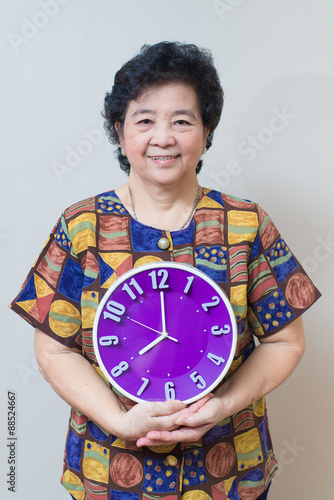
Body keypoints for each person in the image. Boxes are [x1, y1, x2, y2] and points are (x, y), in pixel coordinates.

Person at [10, 42, 320, 500]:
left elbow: (285, 341)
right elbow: (55, 352)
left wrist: (225, 405)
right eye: (144, 120)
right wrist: (119, 421)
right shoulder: (81, 227)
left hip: (229, 473)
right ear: (120, 131)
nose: (163, 137)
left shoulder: (246, 223)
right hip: (113, 476)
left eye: (182, 120)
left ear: (206, 129)